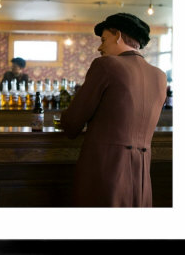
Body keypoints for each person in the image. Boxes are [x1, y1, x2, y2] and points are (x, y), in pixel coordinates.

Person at [61, 13, 167, 207]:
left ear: (117, 35)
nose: (100, 47)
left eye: (103, 40)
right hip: (142, 176)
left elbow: (71, 124)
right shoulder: (160, 76)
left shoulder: (106, 65)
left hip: (105, 171)